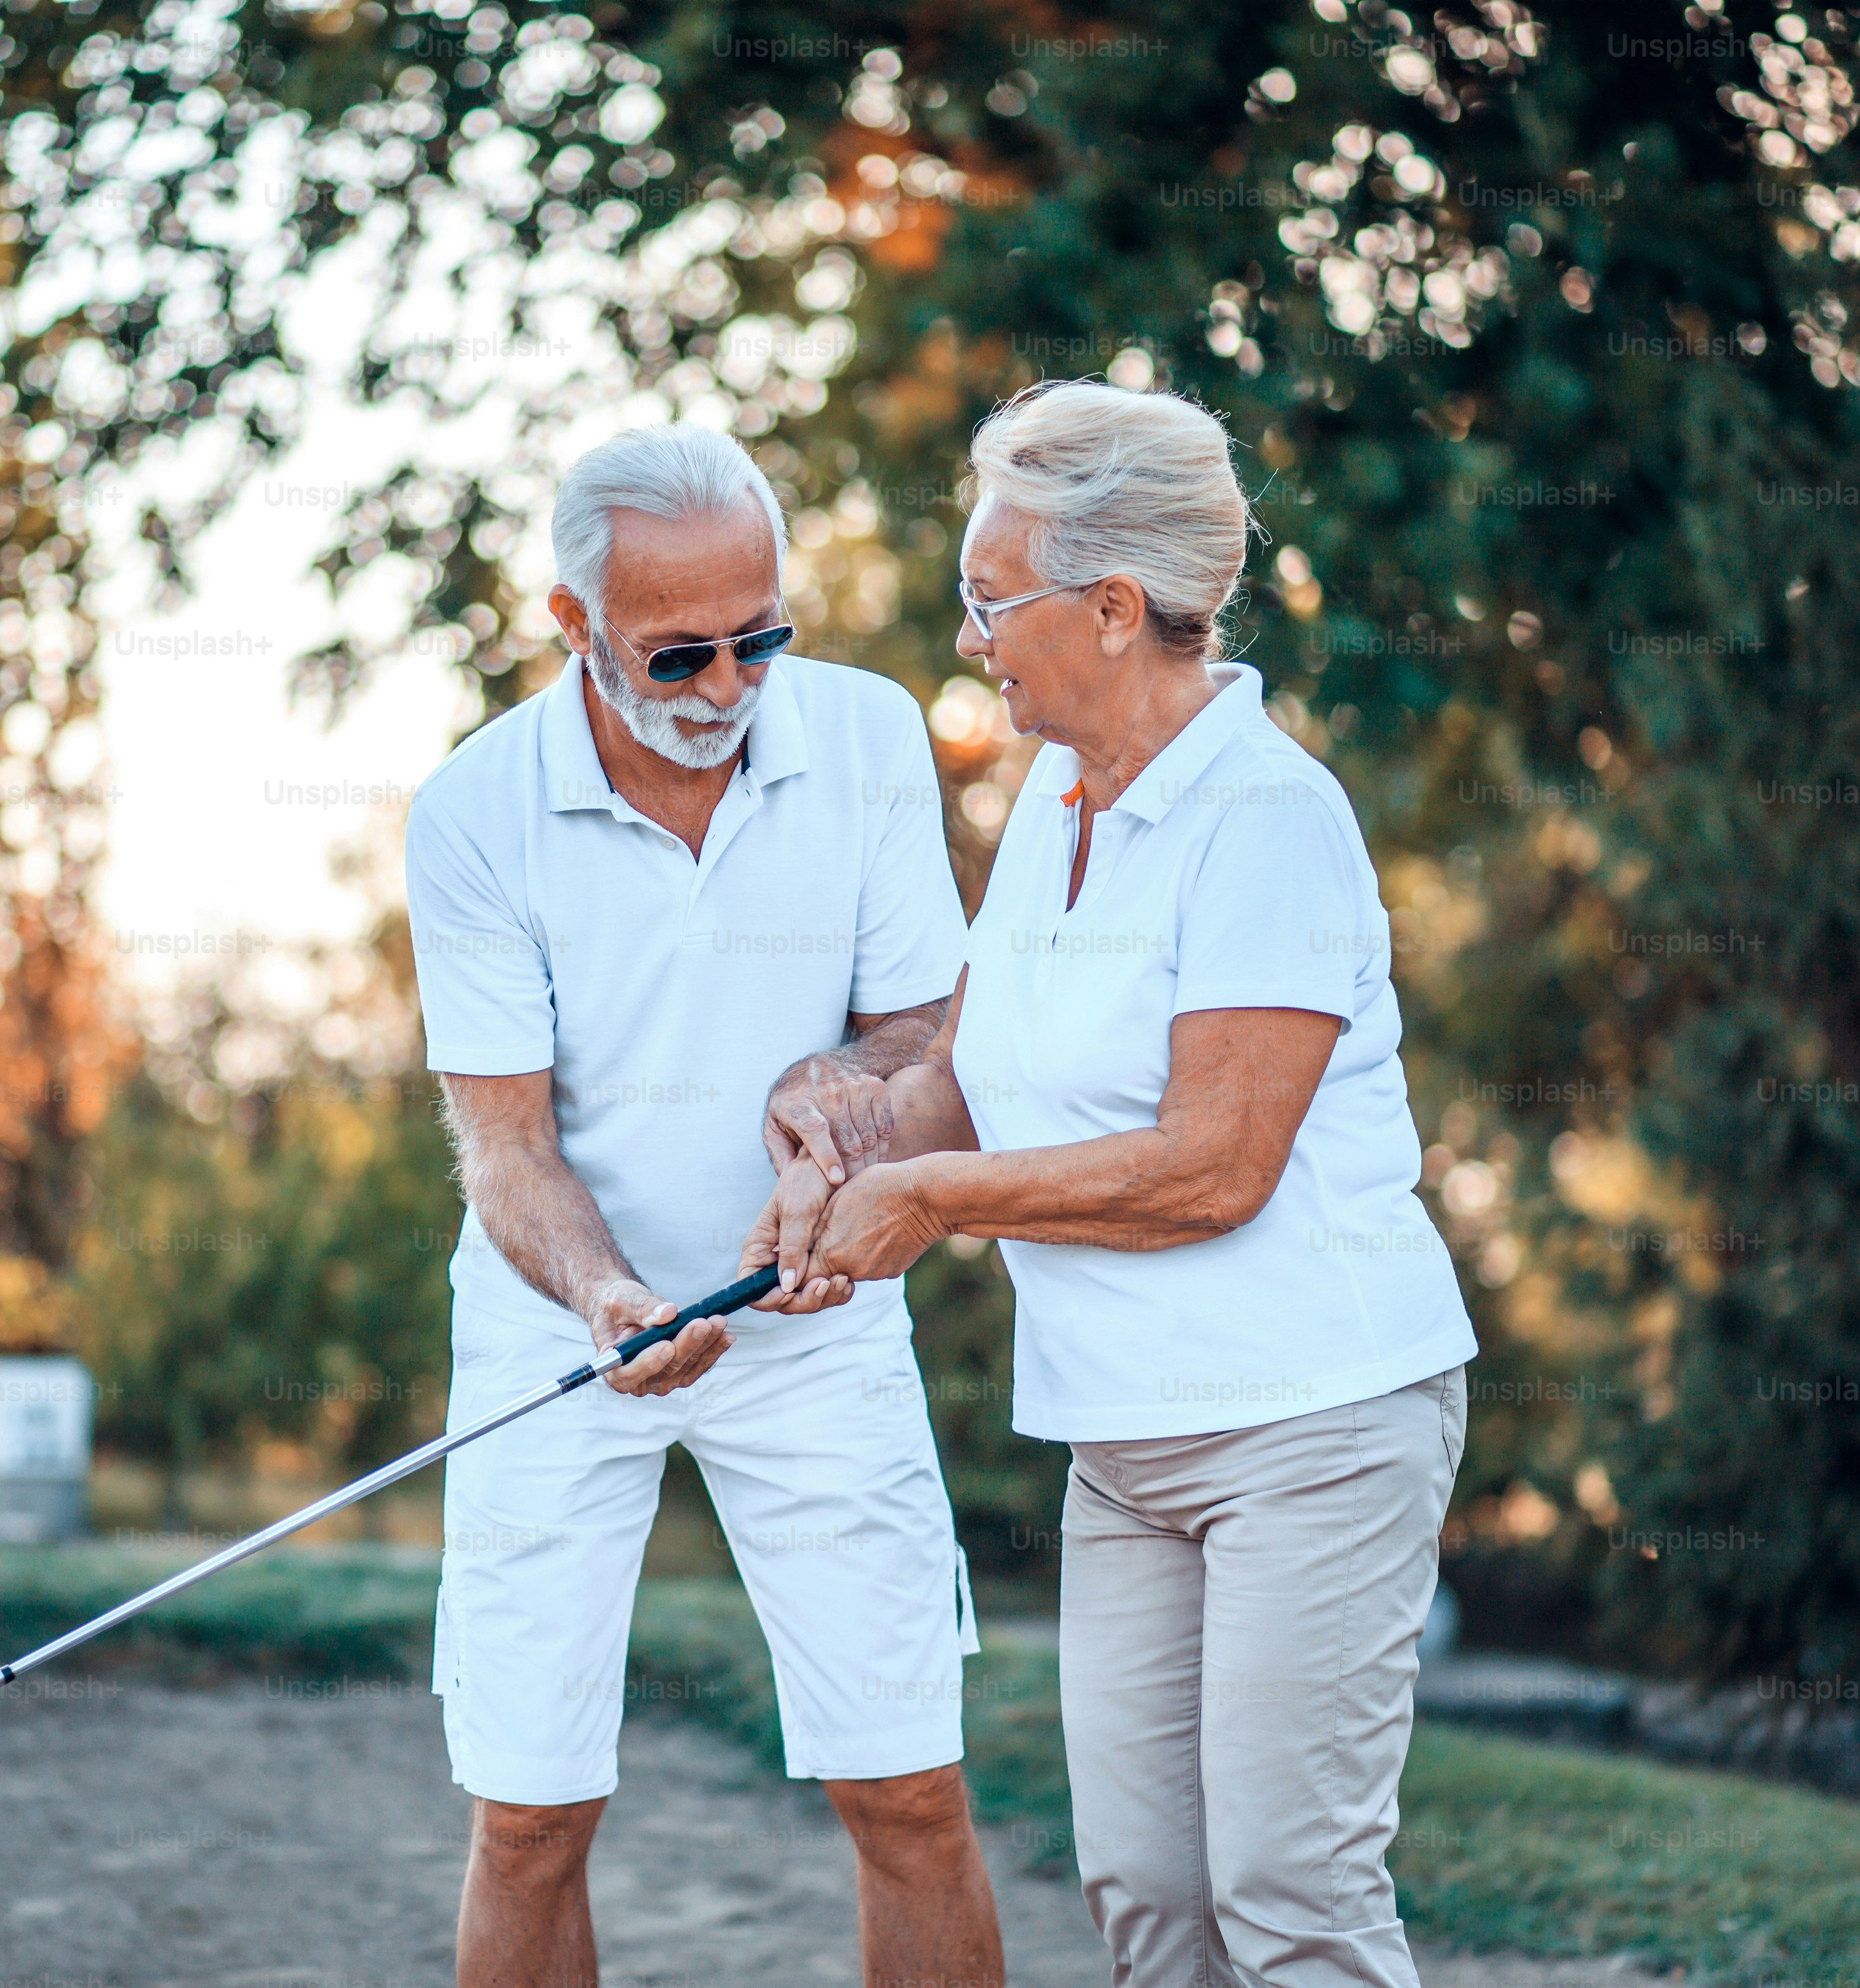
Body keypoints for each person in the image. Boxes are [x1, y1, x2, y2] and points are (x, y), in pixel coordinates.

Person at [774, 380, 1478, 1988]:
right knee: (1149, 1900)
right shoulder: (1052, 799)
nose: (968, 639)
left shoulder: (1269, 819)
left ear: (1108, 607)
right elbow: (967, 1073)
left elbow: (1211, 1169)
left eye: (988, 601)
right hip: (1123, 1446)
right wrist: (843, 1150)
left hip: (1313, 1427)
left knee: (1291, 1900)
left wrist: (935, 1202)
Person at [402, 424, 1006, 1988]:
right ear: (573, 625)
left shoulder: (867, 735)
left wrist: (840, 1085)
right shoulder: (470, 811)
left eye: (760, 638)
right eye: (678, 654)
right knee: (529, 1815)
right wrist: (608, 1299)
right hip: (561, 1334)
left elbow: (924, 1029)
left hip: (815, 1323)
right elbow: (505, 1151)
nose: (729, 687)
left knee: (906, 1790)